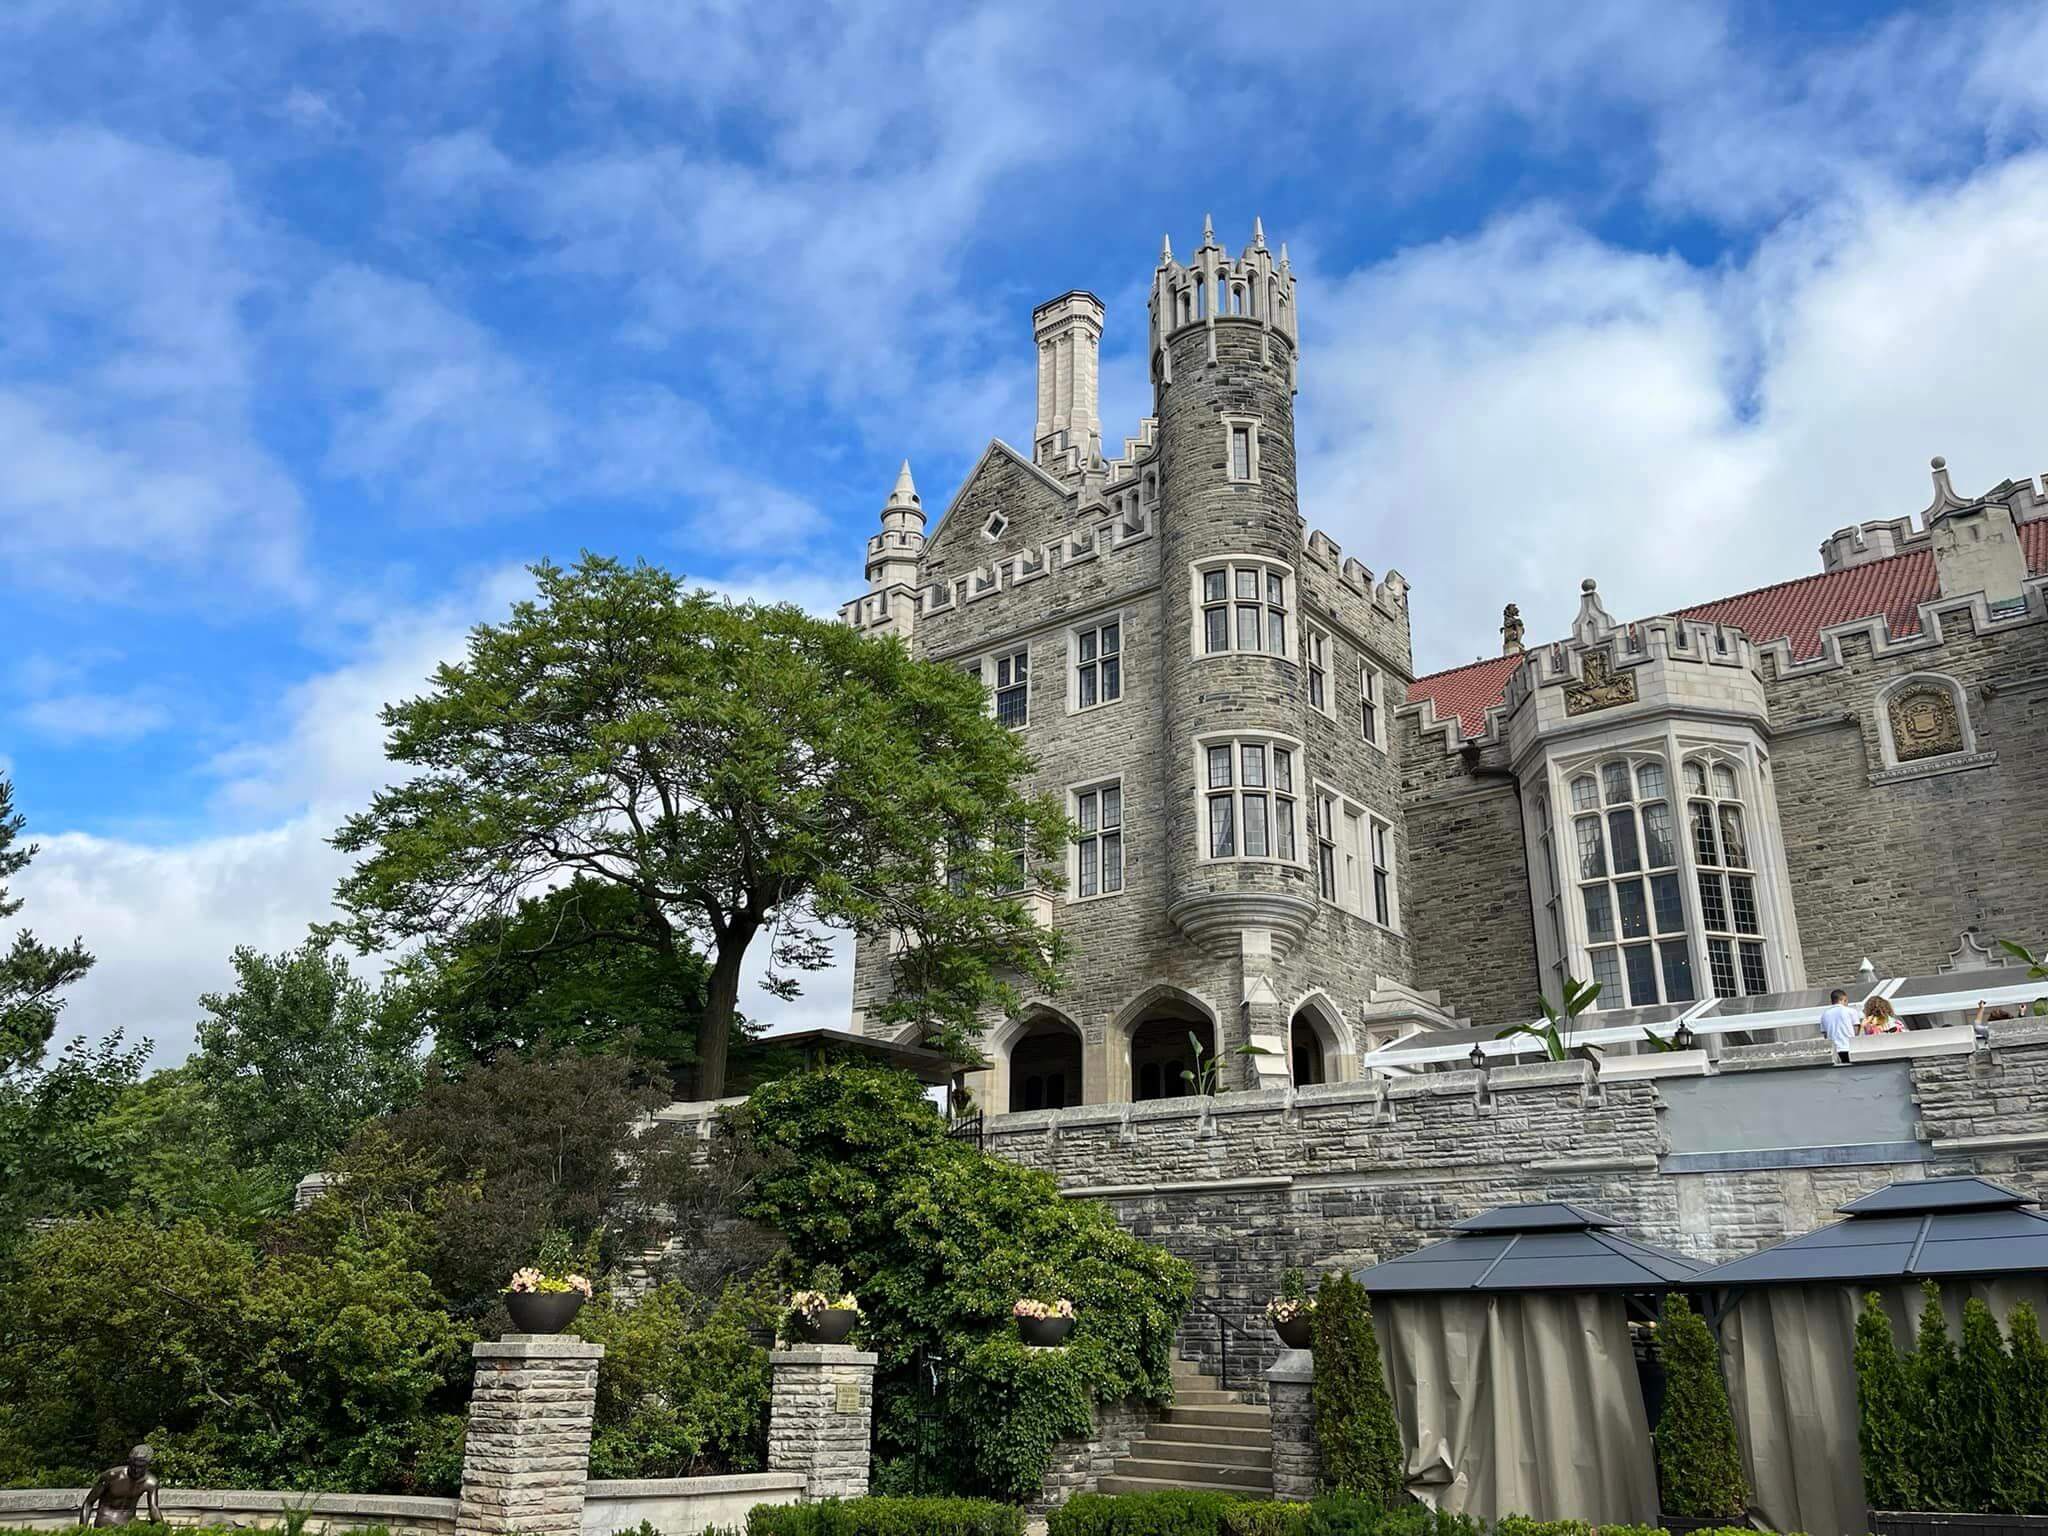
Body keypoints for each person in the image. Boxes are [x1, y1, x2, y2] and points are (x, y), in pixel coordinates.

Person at [80, 1445, 161, 1527]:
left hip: (129, 1523)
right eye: (134, 1466)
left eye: (141, 1467)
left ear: (148, 1465)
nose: (137, 1470)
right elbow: (88, 1503)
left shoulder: (151, 1482)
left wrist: (162, 1527)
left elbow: (153, 1508)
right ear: (129, 1462)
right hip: (106, 1523)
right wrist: (82, 1530)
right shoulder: (111, 1476)